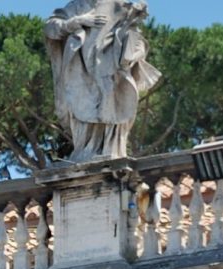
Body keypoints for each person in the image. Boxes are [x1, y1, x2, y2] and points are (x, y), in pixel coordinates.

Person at [47, 0, 161, 162]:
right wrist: (78, 21)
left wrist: (135, 53)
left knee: (113, 112)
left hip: (111, 73)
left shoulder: (120, 5)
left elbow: (136, 38)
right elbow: (51, 28)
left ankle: (111, 149)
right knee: (84, 111)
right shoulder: (76, 6)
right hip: (82, 74)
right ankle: (85, 151)